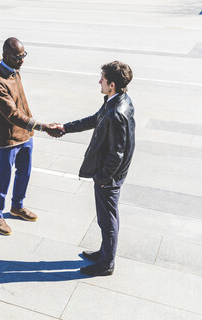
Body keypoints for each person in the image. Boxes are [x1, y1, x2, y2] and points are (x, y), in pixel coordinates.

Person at [58, 61, 135, 276]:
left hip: (109, 177)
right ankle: (104, 252)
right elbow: (94, 119)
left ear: (111, 84)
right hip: (111, 174)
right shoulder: (118, 100)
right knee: (105, 217)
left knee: (107, 219)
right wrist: (65, 127)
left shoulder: (116, 112)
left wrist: (103, 177)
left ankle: (106, 263)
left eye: (102, 78)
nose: (99, 81)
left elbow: (116, 154)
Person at [0, 37, 62, 236]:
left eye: (23, 56)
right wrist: (42, 126)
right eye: (18, 57)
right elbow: (12, 114)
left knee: (24, 173)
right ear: (6, 56)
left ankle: (17, 206)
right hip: (8, 139)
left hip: (26, 134)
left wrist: (32, 128)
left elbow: (22, 106)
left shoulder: (14, 71)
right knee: (3, 177)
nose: (22, 60)